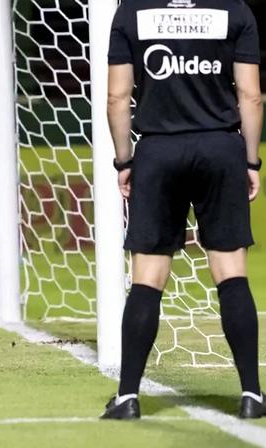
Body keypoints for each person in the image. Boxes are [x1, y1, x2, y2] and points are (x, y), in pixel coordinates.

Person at [103, 0, 263, 419]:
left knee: (147, 279)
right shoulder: (235, 11)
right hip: (220, 147)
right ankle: (251, 395)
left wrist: (124, 160)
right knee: (231, 274)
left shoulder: (131, 12)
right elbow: (250, 94)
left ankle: (127, 398)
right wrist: (250, 160)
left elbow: (117, 98)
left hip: (158, 151)